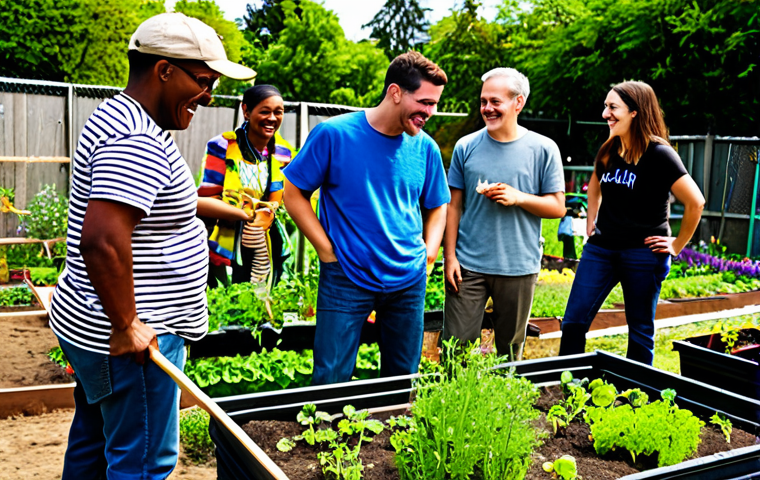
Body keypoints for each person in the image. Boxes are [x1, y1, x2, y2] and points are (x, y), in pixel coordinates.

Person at [48, 13, 255, 479]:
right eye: (203, 81)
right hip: (133, 340)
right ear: (164, 70)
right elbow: (102, 240)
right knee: (143, 464)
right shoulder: (136, 138)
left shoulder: (120, 116)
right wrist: (127, 325)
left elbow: (142, 211)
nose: (209, 94)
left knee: (95, 445)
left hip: (95, 327)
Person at [283, 51, 450, 385]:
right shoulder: (334, 134)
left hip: (408, 280)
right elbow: (293, 193)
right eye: (425, 102)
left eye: (434, 104)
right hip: (345, 276)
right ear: (395, 92)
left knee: (401, 380)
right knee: (331, 378)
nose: (430, 113)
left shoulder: (425, 148)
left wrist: (429, 255)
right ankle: (326, 434)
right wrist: (326, 251)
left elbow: (438, 205)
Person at [558, 81, 705, 365]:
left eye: (613, 107)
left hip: (643, 254)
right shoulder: (609, 148)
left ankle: (637, 395)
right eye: (605, 107)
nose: (605, 114)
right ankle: (568, 385)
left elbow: (695, 202)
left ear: (635, 112)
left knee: (639, 332)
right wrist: (591, 220)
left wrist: (677, 245)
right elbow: (595, 182)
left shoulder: (660, 154)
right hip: (601, 250)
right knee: (573, 321)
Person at [443, 67, 566, 360]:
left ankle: (503, 402)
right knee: (455, 348)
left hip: (518, 266)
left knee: (509, 351)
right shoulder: (466, 146)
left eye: (495, 101)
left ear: (518, 103)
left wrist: (518, 197)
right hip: (468, 266)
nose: (487, 108)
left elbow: (557, 207)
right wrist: (450, 256)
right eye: (484, 101)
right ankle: (456, 402)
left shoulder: (543, 148)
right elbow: (453, 206)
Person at [197, 85, 295, 289]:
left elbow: (283, 199)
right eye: (265, 111)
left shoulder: (284, 152)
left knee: (264, 299)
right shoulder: (222, 146)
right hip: (225, 240)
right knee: (229, 300)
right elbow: (206, 199)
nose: (272, 118)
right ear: (246, 111)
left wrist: (269, 213)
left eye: (278, 112)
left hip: (267, 239)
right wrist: (244, 213)